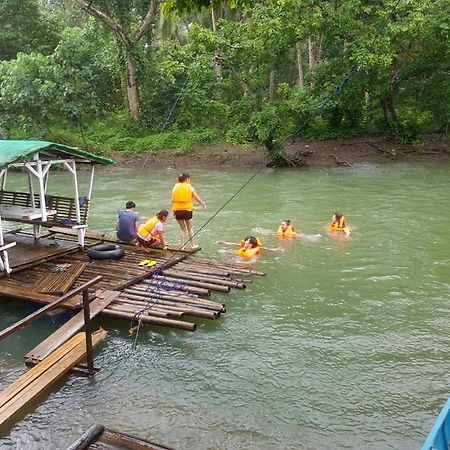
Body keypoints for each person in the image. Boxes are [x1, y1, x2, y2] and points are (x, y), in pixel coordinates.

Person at [171, 172, 206, 250]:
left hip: (177, 210)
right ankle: (192, 245)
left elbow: (172, 199)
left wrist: (173, 210)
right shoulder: (190, 187)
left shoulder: (175, 187)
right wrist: (202, 203)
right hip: (187, 210)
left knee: (182, 229)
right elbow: (196, 197)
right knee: (190, 228)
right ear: (187, 179)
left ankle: (182, 246)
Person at [217, 236, 284, 258]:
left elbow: (252, 261)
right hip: (241, 255)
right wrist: (225, 243)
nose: (244, 242)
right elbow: (235, 244)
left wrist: (275, 250)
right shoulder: (245, 246)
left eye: (246, 241)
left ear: (250, 245)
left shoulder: (253, 253)